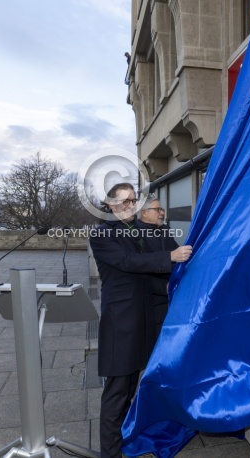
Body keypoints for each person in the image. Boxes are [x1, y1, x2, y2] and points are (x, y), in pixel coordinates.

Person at [89, 183, 193, 458]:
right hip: (122, 323)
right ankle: (110, 454)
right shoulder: (101, 235)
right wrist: (169, 256)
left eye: (134, 200)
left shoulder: (138, 231)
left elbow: (155, 257)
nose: (131, 205)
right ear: (111, 205)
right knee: (117, 392)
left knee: (132, 388)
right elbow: (129, 261)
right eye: (125, 201)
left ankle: (123, 443)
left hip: (144, 320)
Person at [136, 196, 179, 339]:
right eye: (157, 209)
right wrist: (163, 287)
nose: (162, 213)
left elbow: (176, 254)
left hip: (168, 296)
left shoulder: (164, 230)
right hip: (149, 300)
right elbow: (139, 269)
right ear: (144, 213)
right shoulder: (135, 235)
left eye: (162, 209)